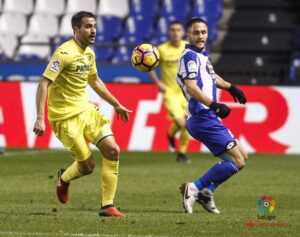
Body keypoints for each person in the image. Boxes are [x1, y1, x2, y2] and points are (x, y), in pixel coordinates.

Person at [33, 11, 131, 218]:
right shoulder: (64, 53)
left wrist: (116, 104)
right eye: (88, 26)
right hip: (64, 118)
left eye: (94, 26)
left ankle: (107, 206)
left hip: (86, 110)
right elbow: (44, 83)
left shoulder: (89, 53)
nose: (93, 30)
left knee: (113, 151)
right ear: (76, 30)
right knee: (87, 167)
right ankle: (64, 179)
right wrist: (40, 117)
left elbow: (95, 81)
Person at [177, 18, 248, 214]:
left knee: (243, 157)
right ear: (188, 35)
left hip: (208, 117)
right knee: (236, 161)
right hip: (202, 117)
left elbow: (211, 77)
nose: (200, 36)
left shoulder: (201, 56)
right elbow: (191, 87)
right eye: (196, 32)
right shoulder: (189, 56)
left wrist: (230, 87)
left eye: (203, 32)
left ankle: (207, 192)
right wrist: (214, 105)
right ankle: (194, 188)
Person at [148, 21, 190, 163]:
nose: (175, 32)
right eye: (172, 30)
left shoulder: (188, 48)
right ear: (169, 32)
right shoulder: (162, 49)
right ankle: (171, 134)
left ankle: (182, 152)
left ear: (183, 32)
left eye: (178, 29)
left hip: (186, 92)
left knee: (188, 123)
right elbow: (150, 65)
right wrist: (158, 82)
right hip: (170, 92)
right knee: (182, 122)